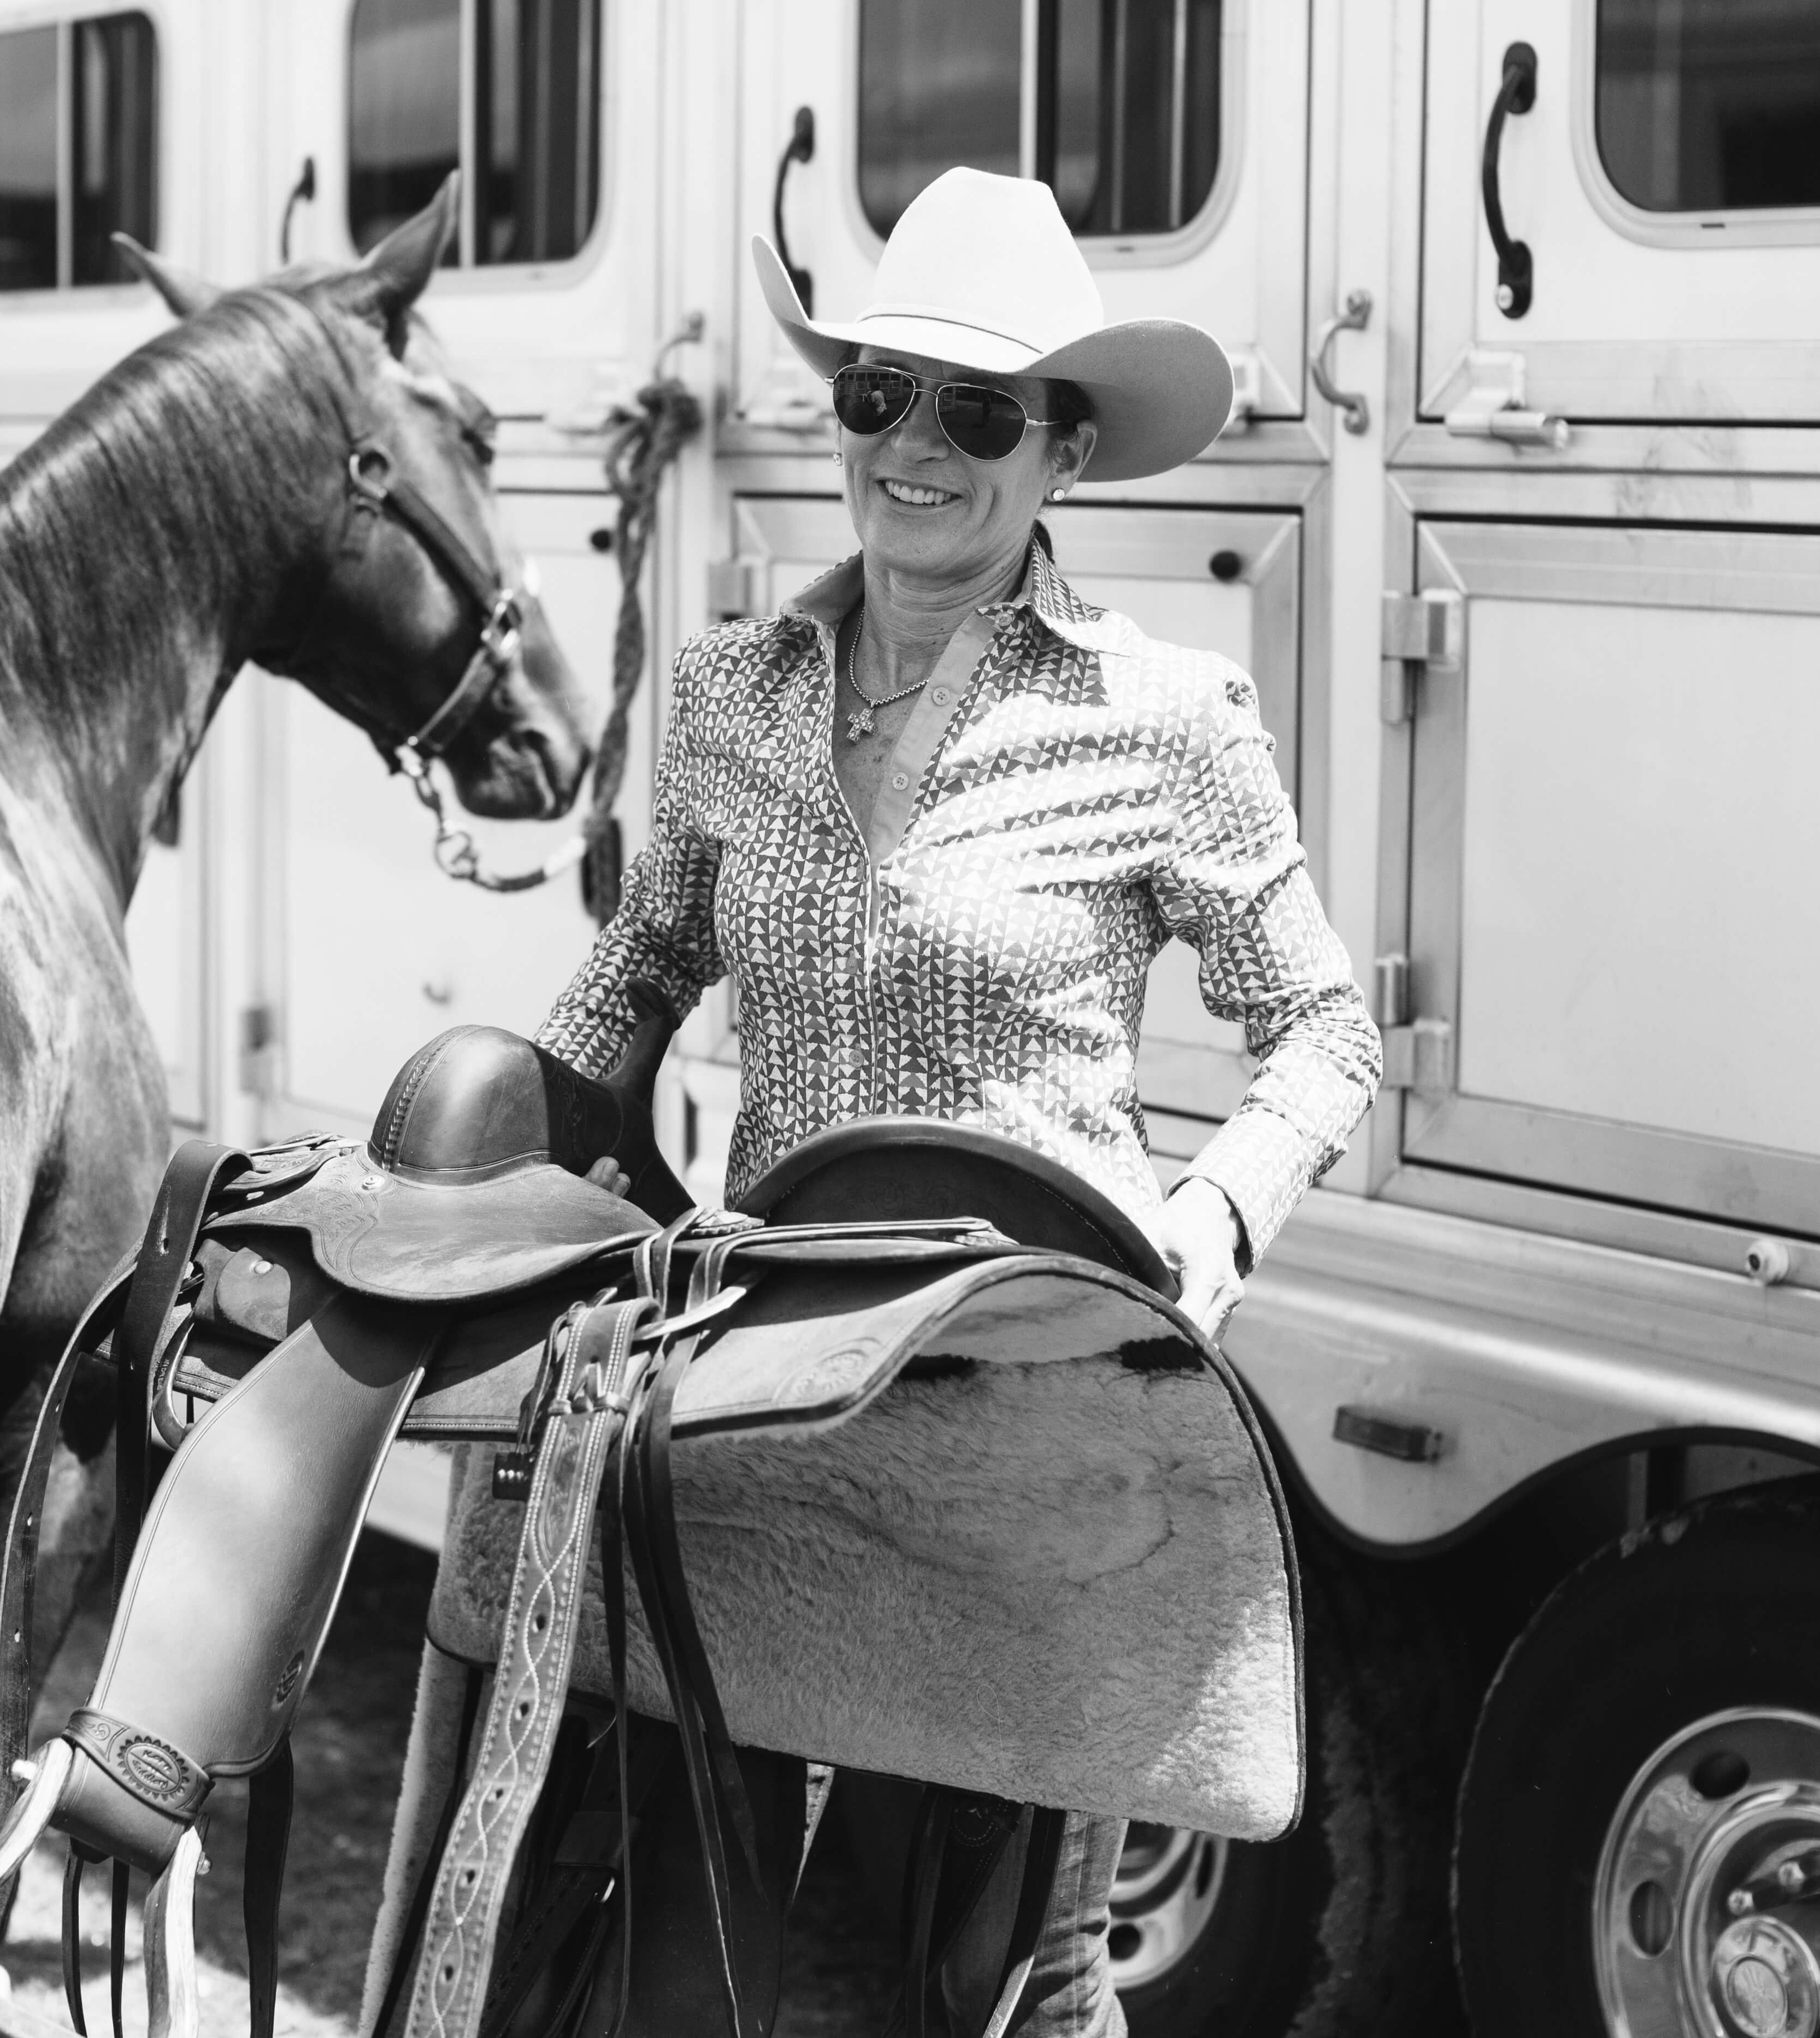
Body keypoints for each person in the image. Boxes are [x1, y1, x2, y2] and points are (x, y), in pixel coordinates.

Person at [543, 165, 1381, 2036]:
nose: (916, 447)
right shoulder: (733, 696)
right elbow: (626, 992)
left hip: (1029, 1430)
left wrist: (1202, 1232)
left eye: (979, 412)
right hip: (756, 1406)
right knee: (713, 1957)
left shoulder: (1163, 718)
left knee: (1001, 1970)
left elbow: (1325, 1033)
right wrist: (486, 1173)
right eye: (880, 396)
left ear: (1063, 456)